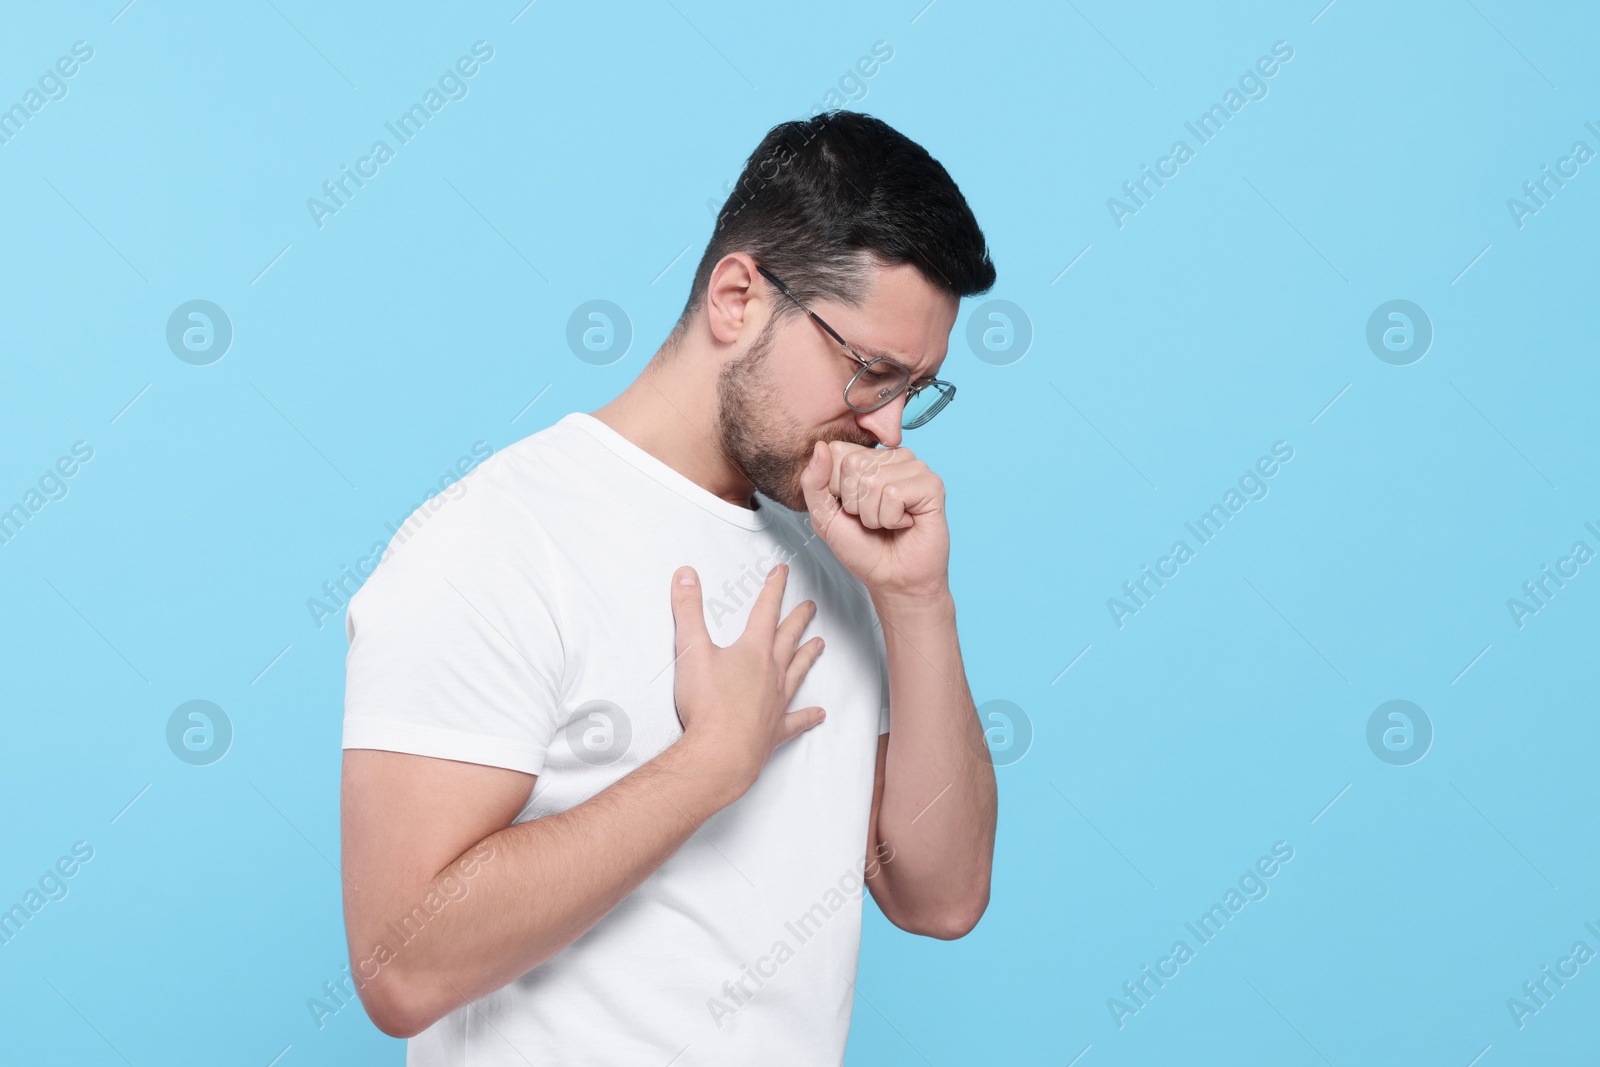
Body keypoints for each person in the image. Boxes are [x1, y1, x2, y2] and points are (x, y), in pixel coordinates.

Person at [339, 109, 999, 1066]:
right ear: (737, 296)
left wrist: (917, 602)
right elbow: (400, 969)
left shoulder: (843, 555)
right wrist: (711, 763)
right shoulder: (495, 539)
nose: (890, 429)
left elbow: (941, 898)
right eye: (870, 373)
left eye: (915, 390)